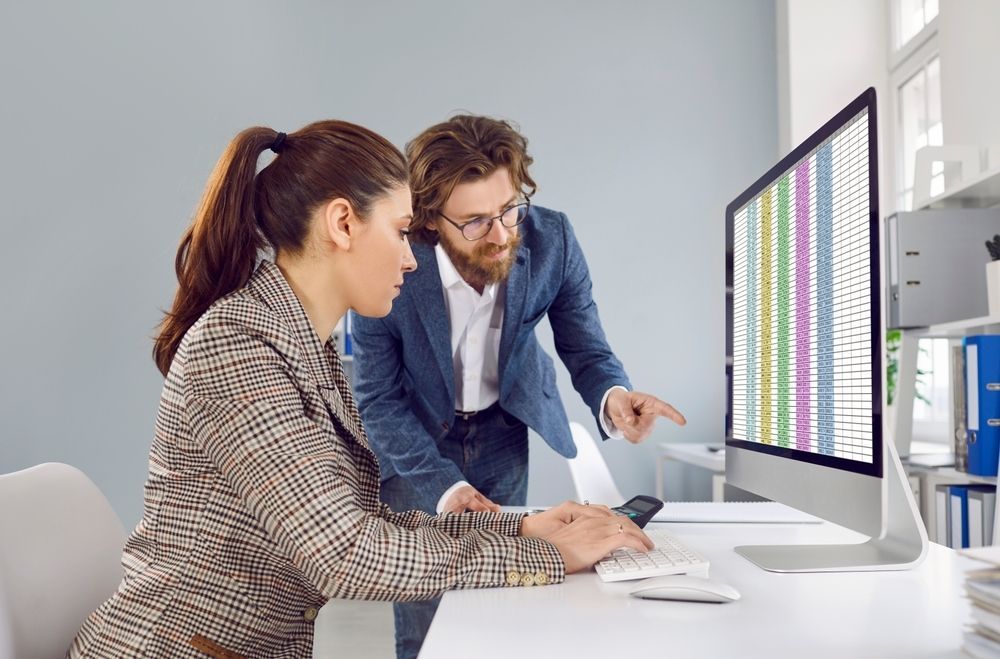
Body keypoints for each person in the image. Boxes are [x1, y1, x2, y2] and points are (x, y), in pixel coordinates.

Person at [69, 120, 652, 659]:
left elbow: (363, 521)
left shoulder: (302, 344)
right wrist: (543, 556)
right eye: (401, 233)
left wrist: (524, 525)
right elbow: (345, 556)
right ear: (343, 223)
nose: (410, 258)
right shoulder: (239, 346)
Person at [351, 114, 687, 659]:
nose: (503, 233)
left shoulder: (552, 238)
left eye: (509, 209)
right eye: (477, 222)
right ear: (431, 221)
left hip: (504, 431)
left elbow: (585, 344)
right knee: (424, 616)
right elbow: (378, 399)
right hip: (416, 440)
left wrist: (613, 397)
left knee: (506, 590)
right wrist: (445, 486)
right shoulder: (390, 262)